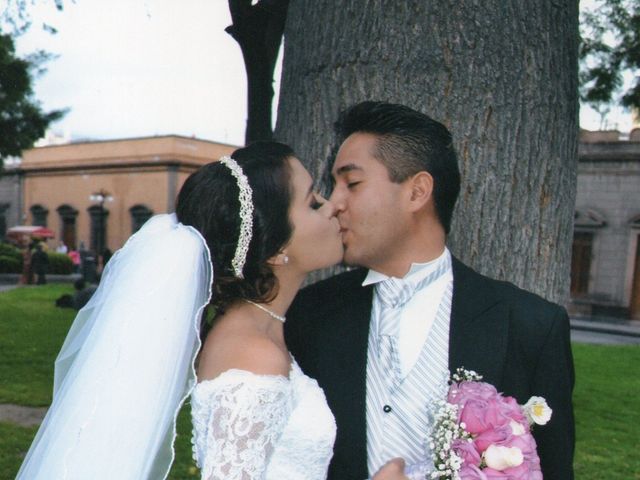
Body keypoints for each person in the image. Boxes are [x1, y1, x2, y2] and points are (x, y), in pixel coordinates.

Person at [17, 141, 408, 480]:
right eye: (312, 202)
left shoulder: (259, 331)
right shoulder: (252, 354)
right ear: (275, 248)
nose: (333, 208)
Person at [285, 101, 575, 480]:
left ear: (417, 192)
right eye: (333, 185)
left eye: (351, 183)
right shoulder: (308, 314)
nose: (334, 203)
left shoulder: (530, 325)